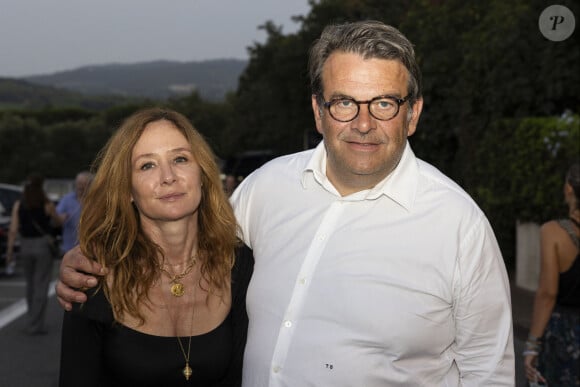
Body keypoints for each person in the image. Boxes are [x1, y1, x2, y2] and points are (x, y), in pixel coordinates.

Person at [56, 21, 514, 385]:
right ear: (318, 111)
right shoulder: (266, 188)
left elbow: (487, 372)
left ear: (412, 113)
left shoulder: (459, 227)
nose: (362, 123)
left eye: (384, 104)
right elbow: (186, 243)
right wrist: (93, 258)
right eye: (344, 103)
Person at [58, 107, 253, 386]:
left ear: (203, 174)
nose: (168, 176)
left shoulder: (240, 265)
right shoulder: (92, 278)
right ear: (127, 190)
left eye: (180, 159)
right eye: (147, 165)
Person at [524, 162, 580, 386]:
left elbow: (547, 295)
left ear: (569, 188)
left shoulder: (553, 232)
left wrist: (531, 346)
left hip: (565, 338)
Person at [5, 173, 60, 334]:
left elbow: (13, 229)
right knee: (41, 284)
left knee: (30, 285)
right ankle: (36, 323)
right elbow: (56, 221)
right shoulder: (46, 203)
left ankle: (31, 318)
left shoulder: (19, 204)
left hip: (25, 245)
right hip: (42, 244)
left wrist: (9, 251)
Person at [55, 171, 93, 255]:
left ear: (90, 185)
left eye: (84, 184)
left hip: (90, 250)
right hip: (69, 248)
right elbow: (56, 218)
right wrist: (59, 218)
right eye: (79, 183)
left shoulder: (96, 200)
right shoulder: (67, 199)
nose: (80, 187)